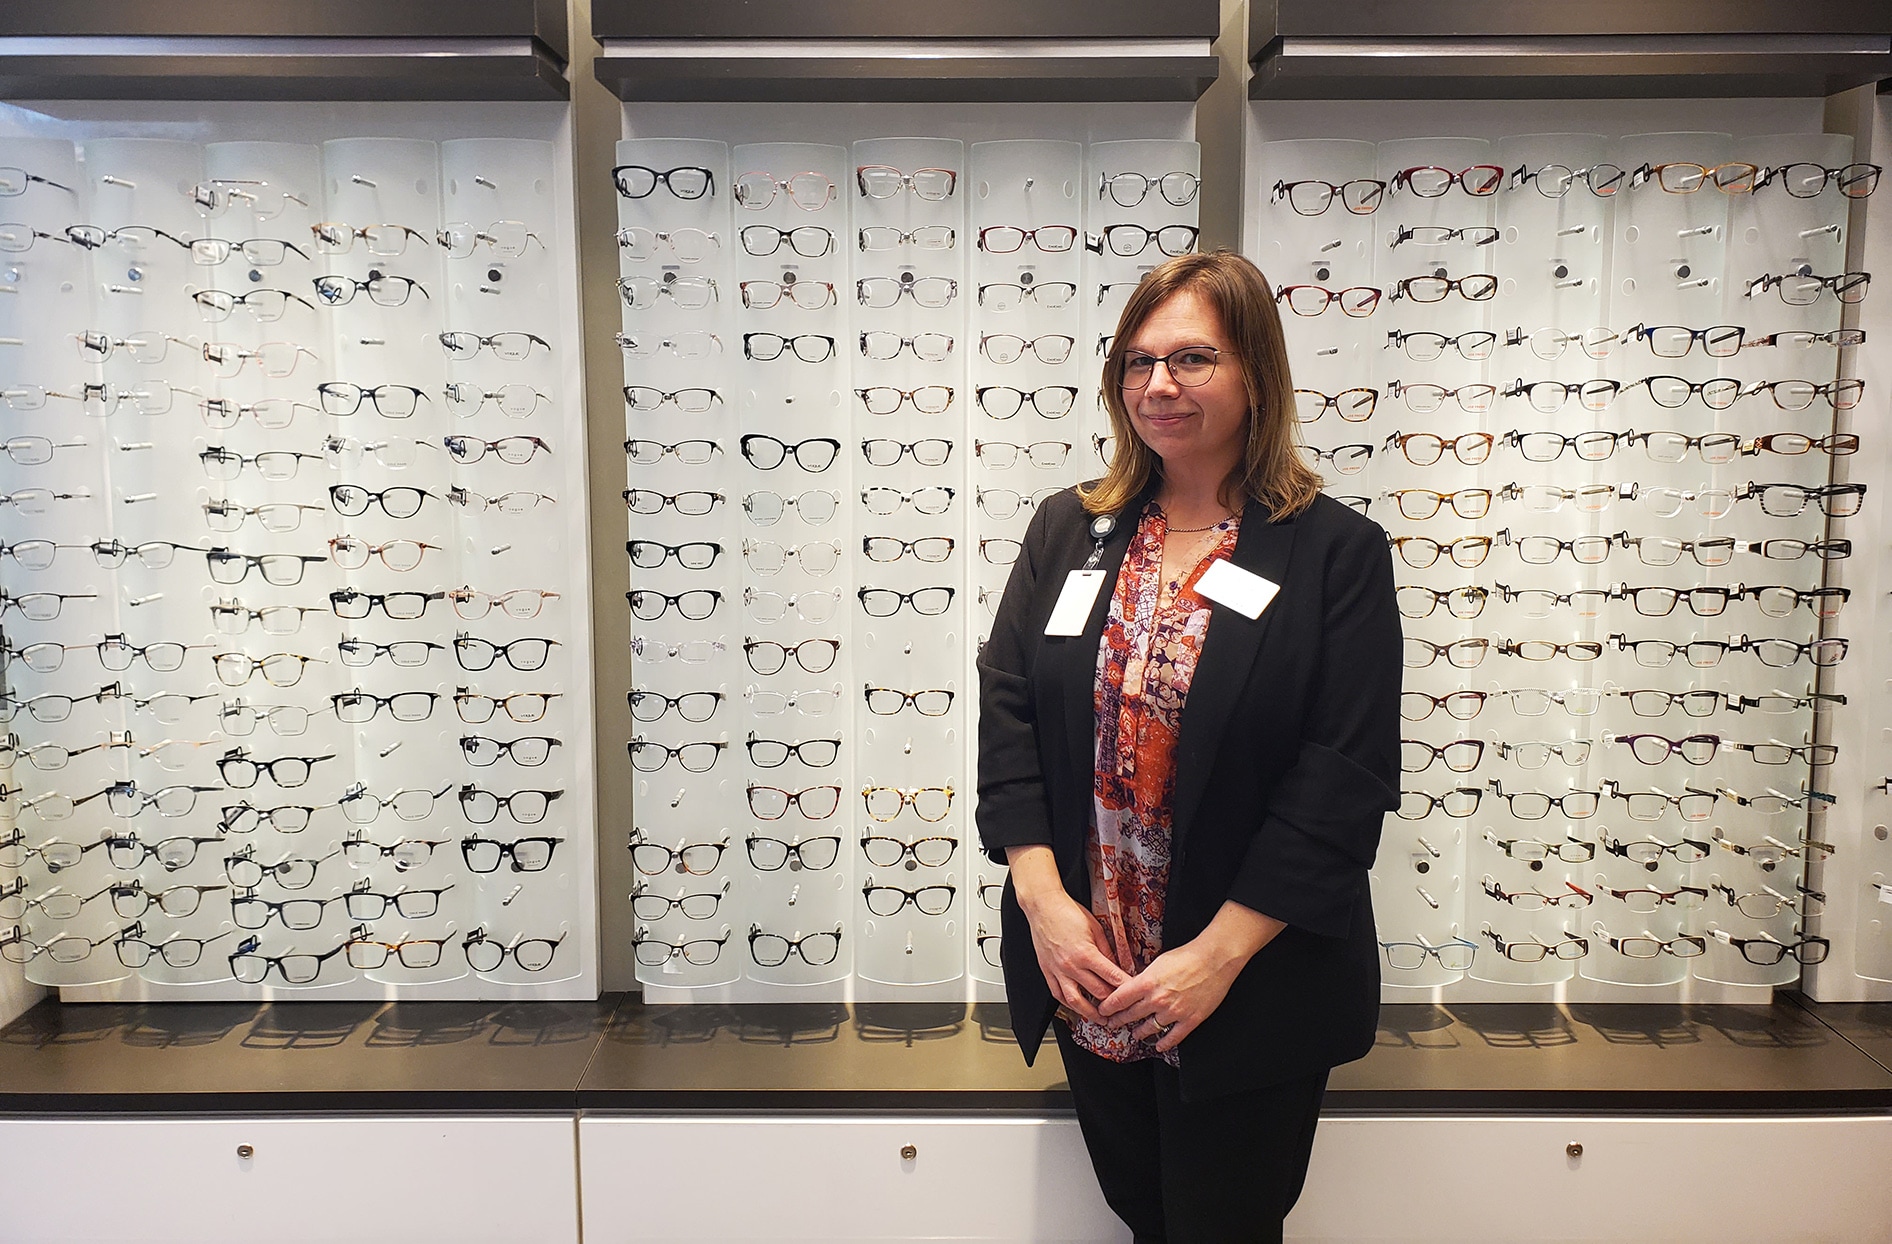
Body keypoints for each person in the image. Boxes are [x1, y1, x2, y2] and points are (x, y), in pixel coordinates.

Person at [975, 250, 1401, 1242]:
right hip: (1090, 968)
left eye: (1192, 358)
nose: (1157, 385)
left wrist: (1211, 959)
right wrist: (1045, 908)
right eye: (1137, 360)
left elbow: (1342, 776)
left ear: (1256, 372)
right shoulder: (1069, 531)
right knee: (1139, 1211)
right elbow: (1008, 715)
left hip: (1243, 983)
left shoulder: (1331, 550)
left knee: (1224, 1225)